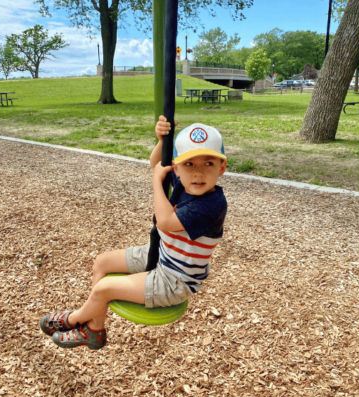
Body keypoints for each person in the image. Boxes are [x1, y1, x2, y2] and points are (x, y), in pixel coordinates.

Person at [40, 116, 228, 350]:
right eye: (189, 164)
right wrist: (162, 141)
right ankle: (94, 330)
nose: (198, 173)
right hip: (162, 254)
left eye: (208, 163)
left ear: (222, 167)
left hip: (175, 279)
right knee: (102, 262)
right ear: (177, 167)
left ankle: (73, 320)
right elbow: (155, 163)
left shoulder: (212, 204)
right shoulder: (184, 180)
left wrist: (155, 182)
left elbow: (165, 221)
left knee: (104, 289)